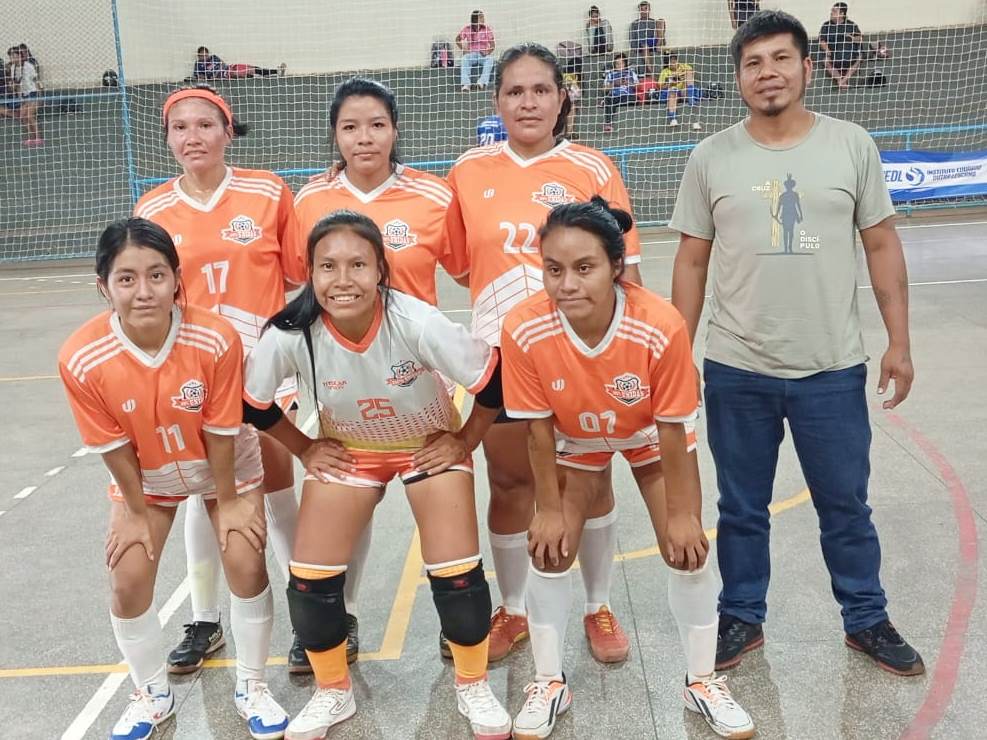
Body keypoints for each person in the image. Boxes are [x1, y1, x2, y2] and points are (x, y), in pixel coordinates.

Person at [669, 10, 924, 678]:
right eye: (752, 63)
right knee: (741, 508)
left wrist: (898, 341)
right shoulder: (710, 157)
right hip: (735, 367)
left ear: (806, 67)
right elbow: (691, 261)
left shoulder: (850, 145)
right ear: (738, 78)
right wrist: (674, 352)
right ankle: (739, 616)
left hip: (831, 369)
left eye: (780, 59)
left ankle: (865, 617)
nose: (767, 73)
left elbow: (880, 243)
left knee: (845, 505)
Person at [242, 210, 512, 740]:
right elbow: (254, 405)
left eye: (358, 265)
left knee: (457, 574)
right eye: (328, 267)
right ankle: (332, 692)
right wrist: (304, 449)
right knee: (310, 580)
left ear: (381, 270)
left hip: (425, 447)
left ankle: (472, 683)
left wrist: (462, 441)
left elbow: (494, 382)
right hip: (349, 450)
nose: (343, 280)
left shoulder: (416, 321)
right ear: (310, 273)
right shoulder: (291, 332)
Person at [501, 197, 755, 740]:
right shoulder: (523, 328)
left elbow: (673, 433)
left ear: (616, 266)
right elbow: (538, 431)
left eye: (584, 267)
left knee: (686, 550)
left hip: (648, 437)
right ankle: (549, 681)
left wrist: (684, 514)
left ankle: (702, 680)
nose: (567, 283)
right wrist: (547, 508)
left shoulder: (659, 324)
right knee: (548, 548)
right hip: (575, 440)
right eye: (553, 269)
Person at [446, 42, 643, 667]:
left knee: (588, 478)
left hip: (583, 356)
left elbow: (627, 274)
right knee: (508, 481)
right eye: (514, 91)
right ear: (497, 100)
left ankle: (597, 604)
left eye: (540, 90)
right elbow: (459, 264)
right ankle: (514, 607)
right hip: (502, 358)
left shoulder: (594, 167)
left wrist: (621, 352)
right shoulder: (469, 172)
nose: (527, 102)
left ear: (562, 99)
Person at [57, 218, 289, 740]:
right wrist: (136, 512)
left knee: (245, 560)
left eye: (157, 275)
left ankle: (252, 685)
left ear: (177, 280)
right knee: (128, 575)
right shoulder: (80, 356)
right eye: (126, 278)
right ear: (103, 286)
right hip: (147, 476)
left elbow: (223, 428)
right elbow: (112, 445)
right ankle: (151, 693)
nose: (144, 291)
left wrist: (228, 500)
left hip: (222, 464)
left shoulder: (215, 337)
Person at [134, 85, 310, 675]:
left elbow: (296, 276)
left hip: (259, 364)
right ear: (168, 139)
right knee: (203, 490)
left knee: (277, 480)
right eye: (180, 127)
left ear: (227, 131)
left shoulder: (266, 192)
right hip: (189, 370)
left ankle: (309, 608)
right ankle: (205, 620)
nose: (193, 136)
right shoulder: (152, 208)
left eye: (205, 125)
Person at [296, 78, 467, 307]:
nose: (364, 138)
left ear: (395, 130)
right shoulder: (309, 201)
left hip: (412, 342)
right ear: (335, 134)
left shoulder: (436, 196)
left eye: (377, 125)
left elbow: (466, 273)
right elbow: (292, 277)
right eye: (350, 127)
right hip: (332, 342)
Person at [818, 3, 863, 89]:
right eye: (832, 11)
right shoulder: (826, 25)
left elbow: (859, 38)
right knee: (826, 61)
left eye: (834, 11)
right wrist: (827, 50)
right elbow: (822, 40)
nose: (831, 13)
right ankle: (840, 80)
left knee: (859, 58)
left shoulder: (851, 25)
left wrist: (852, 38)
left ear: (842, 14)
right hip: (833, 53)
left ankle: (843, 81)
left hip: (849, 53)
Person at [6, 45, 42, 145]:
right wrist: (13, 87)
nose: (12, 58)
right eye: (11, 56)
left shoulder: (28, 66)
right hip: (23, 95)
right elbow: (16, 83)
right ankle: (31, 137)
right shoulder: (13, 67)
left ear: (20, 56)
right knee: (23, 116)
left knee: (29, 116)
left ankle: (38, 137)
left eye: (14, 56)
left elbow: (36, 80)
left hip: (33, 93)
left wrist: (40, 94)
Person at [456, 10, 496, 92]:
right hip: (472, 54)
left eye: (483, 17)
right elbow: (457, 39)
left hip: (482, 54)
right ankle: (466, 85)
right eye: (481, 17)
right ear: (475, 19)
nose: (483, 19)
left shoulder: (486, 29)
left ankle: (481, 83)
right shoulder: (467, 29)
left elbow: (493, 45)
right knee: (464, 59)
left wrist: (487, 52)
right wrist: (464, 49)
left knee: (490, 59)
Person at [656, 52, 698, 127]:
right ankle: (673, 118)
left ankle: (691, 99)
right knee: (672, 92)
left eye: (675, 60)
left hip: (684, 91)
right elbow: (660, 87)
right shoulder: (664, 71)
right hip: (672, 92)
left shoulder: (683, 66)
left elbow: (692, 73)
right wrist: (672, 82)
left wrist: (680, 75)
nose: (674, 62)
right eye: (671, 61)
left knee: (688, 73)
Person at [192, 46, 284, 80]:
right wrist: (208, 76)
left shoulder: (213, 57)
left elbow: (222, 64)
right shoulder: (198, 65)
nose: (204, 57)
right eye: (202, 55)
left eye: (206, 55)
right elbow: (197, 76)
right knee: (247, 72)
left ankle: (276, 71)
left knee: (252, 68)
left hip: (230, 68)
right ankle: (275, 73)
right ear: (199, 56)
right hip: (226, 75)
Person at [601, 51, 638, 133]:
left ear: (625, 64)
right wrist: (614, 84)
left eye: (621, 63)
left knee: (634, 98)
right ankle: (608, 124)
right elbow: (603, 89)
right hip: (615, 96)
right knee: (609, 99)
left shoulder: (631, 73)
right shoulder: (610, 74)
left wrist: (628, 83)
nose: (619, 65)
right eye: (617, 63)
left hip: (628, 96)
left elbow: (638, 86)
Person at [628, 1, 665, 75]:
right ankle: (650, 71)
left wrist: (659, 42)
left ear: (649, 10)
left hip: (654, 43)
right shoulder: (635, 24)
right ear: (639, 11)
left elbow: (660, 35)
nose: (644, 11)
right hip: (641, 45)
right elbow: (632, 41)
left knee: (661, 21)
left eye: (646, 9)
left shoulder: (653, 22)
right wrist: (636, 48)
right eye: (642, 9)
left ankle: (657, 46)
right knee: (645, 46)